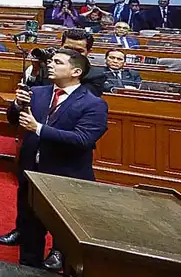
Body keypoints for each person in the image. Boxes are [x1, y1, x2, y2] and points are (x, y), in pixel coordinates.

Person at [7, 48, 108, 271]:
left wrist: (39, 128)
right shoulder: (39, 92)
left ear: (76, 71)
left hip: (65, 177)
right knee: (30, 233)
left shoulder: (93, 104)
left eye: (58, 62)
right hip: (31, 172)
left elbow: (83, 139)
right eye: (51, 61)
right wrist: (16, 104)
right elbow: (14, 120)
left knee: (64, 237)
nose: (50, 65)